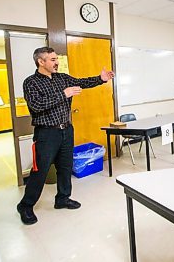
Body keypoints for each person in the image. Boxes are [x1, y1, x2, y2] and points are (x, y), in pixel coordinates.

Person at [17, 46, 115, 225]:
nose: (57, 62)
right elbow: (37, 106)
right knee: (41, 171)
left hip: (66, 130)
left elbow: (81, 82)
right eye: (53, 59)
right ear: (41, 61)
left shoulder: (62, 78)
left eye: (57, 59)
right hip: (46, 133)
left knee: (65, 167)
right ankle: (25, 205)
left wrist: (100, 79)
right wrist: (64, 94)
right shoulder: (30, 82)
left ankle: (62, 198)